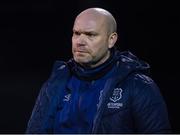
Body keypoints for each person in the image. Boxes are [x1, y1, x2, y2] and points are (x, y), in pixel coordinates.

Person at [26, 7, 171, 133]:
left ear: (111, 40)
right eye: (76, 33)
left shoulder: (138, 85)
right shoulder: (55, 83)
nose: (80, 41)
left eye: (90, 35)